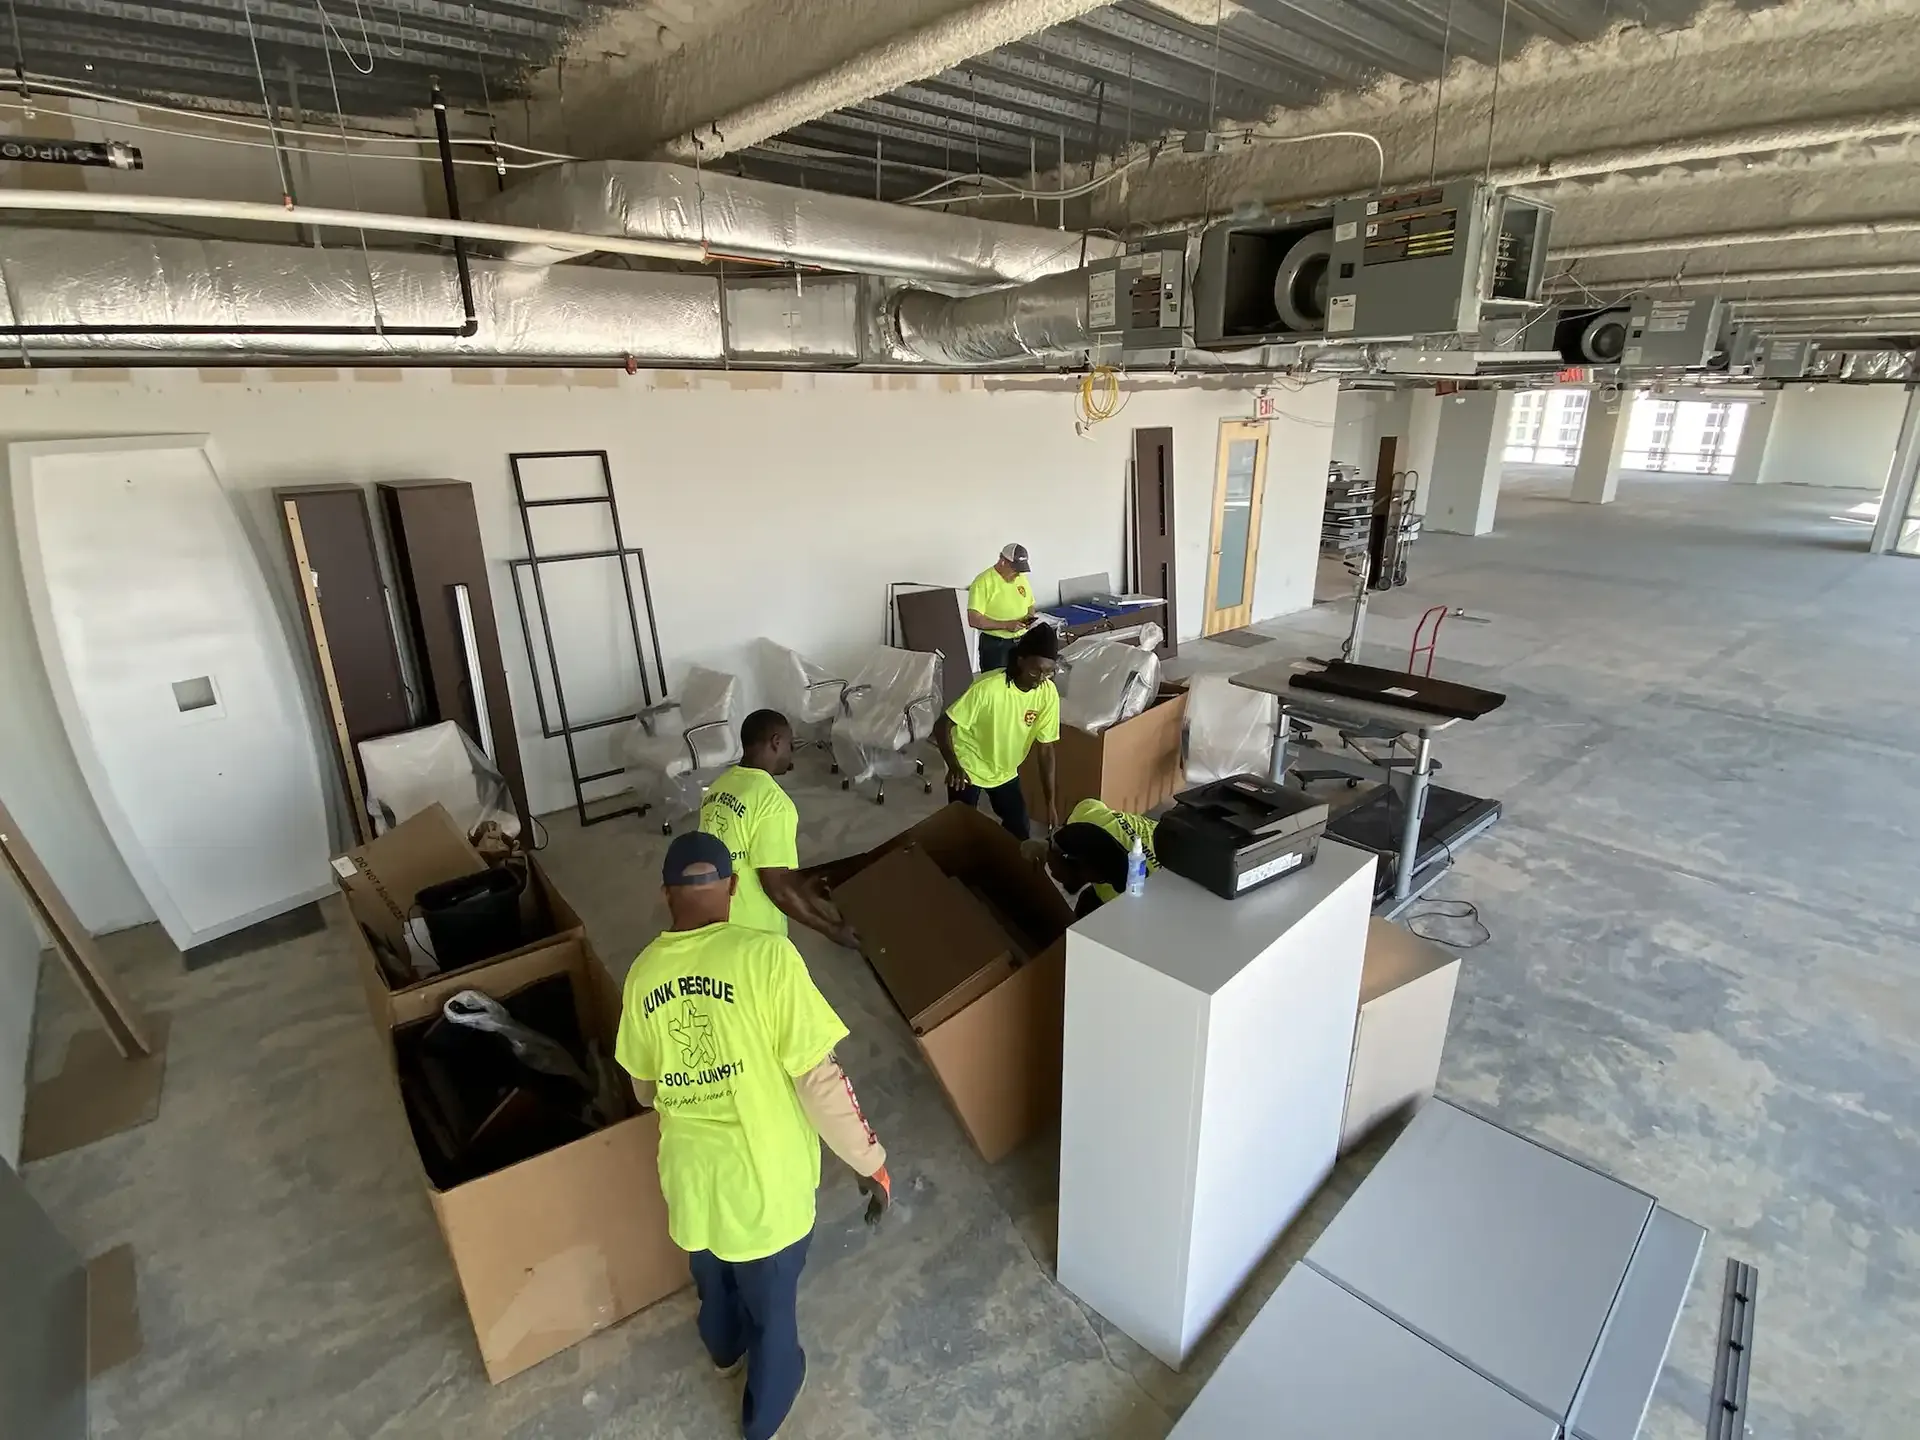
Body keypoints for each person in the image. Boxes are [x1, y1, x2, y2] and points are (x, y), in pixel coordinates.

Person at [617, 832, 891, 1440]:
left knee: (712, 1278)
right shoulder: (767, 958)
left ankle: (723, 1355)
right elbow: (819, 1079)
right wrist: (868, 1159)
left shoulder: (642, 977)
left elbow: (641, 1087)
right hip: (765, 1184)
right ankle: (764, 1415)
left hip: (691, 1177)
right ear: (735, 889)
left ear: (665, 895)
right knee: (773, 1311)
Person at [699, 709, 856, 948]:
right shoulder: (773, 803)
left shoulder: (717, 788)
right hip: (752, 933)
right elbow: (777, 885)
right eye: (790, 745)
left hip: (710, 919)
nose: (791, 754)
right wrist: (832, 929)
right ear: (776, 742)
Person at [932, 622, 1060, 841]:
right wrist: (954, 766)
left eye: (1048, 673)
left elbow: (1046, 749)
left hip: (1004, 770)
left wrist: (1050, 803)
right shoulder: (989, 688)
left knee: (1019, 830)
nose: (1040, 680)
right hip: (969, 764)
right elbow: (942, 725)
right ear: (1020, 661)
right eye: (1035, 671)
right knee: (960, 828)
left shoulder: (1048, 694)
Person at [1046, 798, 1160, 917]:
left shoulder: (1123, 898)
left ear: (1085, 870)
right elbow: (1066, 831)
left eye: (1054, 870)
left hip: (1169, 865)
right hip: (1160, 835)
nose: (1051, 871)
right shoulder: (1085, 813)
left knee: (1088, 906)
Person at [966, 542, 1036, 674]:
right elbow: (974, 619)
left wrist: (1029, 617)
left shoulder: (1021, 578)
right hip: (996, 646)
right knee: (995, 683)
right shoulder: (983, 582)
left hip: (1021, 642)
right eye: (1015, 569)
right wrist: (1005, 625)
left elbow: (1030, 604)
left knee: (1019, 682)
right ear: (1003, 562)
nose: (1017, 574)